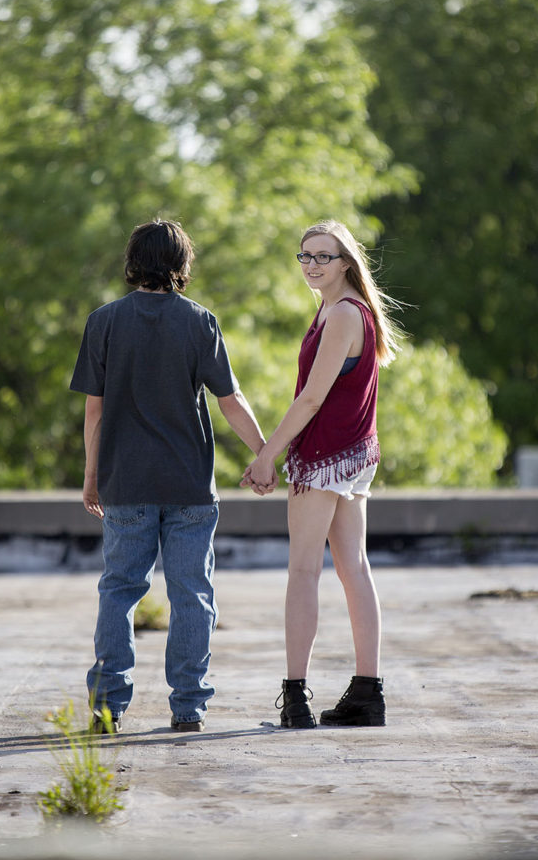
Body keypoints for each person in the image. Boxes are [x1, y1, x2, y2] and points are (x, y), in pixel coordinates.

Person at [71, 219, 273, 734]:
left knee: (119, 591)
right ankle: (188, 708)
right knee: (193, 596)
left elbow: (94, 413)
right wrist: (265, 453)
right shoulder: (200, 322)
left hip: (126, 484)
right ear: (182, 265)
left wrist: (92, 477)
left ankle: (107, 707)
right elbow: (230, 400)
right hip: (189, 487)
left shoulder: (104, 322)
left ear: (133, 261)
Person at [242, 219, 401, 729]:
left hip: (327, 457)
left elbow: (311, 396)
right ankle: (367, 693)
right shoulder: (340, 308)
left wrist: (267, 453)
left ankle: (295, 699)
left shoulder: (343, 315)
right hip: (355, 456)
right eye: (305, 256)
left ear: (347, 262)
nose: (311, 264)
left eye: (323, 256)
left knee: (305, 571)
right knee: (354, 567)